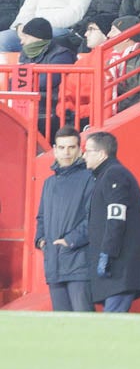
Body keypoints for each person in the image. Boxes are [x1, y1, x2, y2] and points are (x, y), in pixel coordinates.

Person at [83, 131, 140, 313]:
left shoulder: (114, 175)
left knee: (112, 324)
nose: (84, 156)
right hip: (115, 269)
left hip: (119, 267)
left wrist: (107, 253)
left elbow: (116, 218)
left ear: (101, 153)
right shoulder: (107, 175)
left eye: (87, 151)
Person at [35, 125, 94, 312]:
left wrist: (70, 241)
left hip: (79, 263)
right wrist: (41, 240)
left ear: (79, 149)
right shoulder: (49, 183)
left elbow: (93, 218)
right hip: (53, 262)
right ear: (54, 149)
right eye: (61, 148)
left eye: (71, 147)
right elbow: (42, 217)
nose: (66, 153)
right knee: (62, 326)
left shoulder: (90, 178)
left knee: (84, 323)